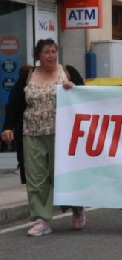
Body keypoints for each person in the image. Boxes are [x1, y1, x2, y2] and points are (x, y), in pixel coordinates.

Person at [1, 39, 85, 236]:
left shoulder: (68, 71)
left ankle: (77, 209)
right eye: (46, 52)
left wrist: (74, 89)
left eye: (54, 51)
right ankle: (41, 219)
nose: (51, 56)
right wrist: (7, 127)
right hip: (32, 133)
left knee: (64, 175)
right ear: (38, 55)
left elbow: (85, 98)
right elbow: (14, 104)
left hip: (63, 135)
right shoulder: (27, 75)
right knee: (36, 178)